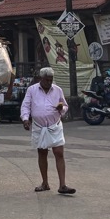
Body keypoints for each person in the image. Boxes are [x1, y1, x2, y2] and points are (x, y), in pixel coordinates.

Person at [21, 67, 75, 195]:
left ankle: (62, 185)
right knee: (42, 152)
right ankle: (45, 183)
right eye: (47, 80)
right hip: (39, 126)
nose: (49, 83)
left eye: (51, 80)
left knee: (59, 153)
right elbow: (25, 105)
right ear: (41, 79)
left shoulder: (58, 90)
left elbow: (65, 105)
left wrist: (61, 108)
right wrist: (25, 119)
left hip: (54, 125)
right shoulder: (32, 90)